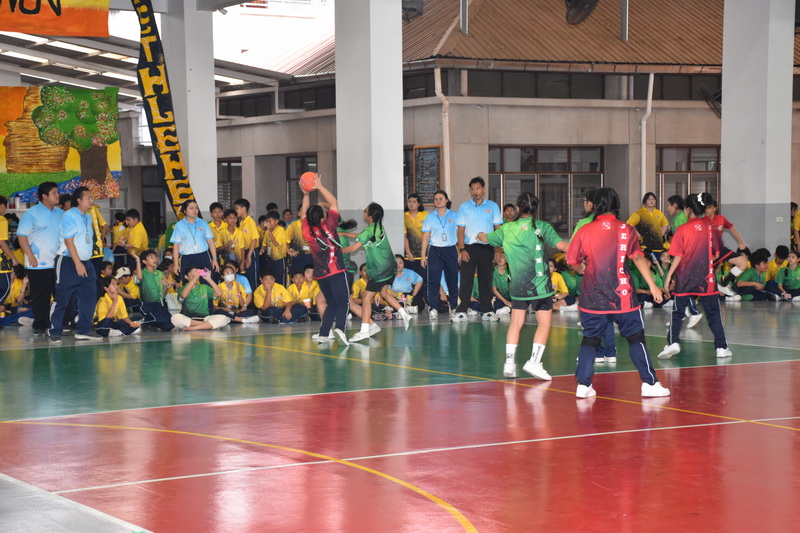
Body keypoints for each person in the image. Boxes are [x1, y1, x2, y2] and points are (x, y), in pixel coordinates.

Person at [567, 187, 670, 398]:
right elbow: (638, 258)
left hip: (592, 295)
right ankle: (650, 383)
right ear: (616, 204)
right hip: (622, 296)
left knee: (590, 339)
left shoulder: (584, 230)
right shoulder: (626, 229)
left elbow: (571, 260)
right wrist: (652, 285)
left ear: (595, 205)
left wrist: (583, 270)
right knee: (635, 337)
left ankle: (583, 385)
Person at [477, 192, 568, 379]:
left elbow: (485, 238)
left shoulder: (507, 228)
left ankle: (509, 364)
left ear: (518, 208)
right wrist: (583, 249)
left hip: (518, 287)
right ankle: (534, 362)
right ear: (536, 209)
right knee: (544, 323)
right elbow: (562, 246)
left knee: (516, 323)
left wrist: (480, 234)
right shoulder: (542, 227)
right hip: (540, 287)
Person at [658, 192, 732, 359]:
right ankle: (721, 348)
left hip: (684, 277)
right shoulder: (709, 228)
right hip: (706, 277)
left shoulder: (682, 229)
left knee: (677, 312)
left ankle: (673, 342)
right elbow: (715, 254)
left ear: (688, 209)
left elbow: (678, 255)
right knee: (713, 313)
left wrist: (669, 276)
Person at [342, 202, 412, 342]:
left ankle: (364, 330)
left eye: (365, 210)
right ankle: (405, 314)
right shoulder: (378, 227)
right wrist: (343, 233)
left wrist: (335, 251)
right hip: (390, 267)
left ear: (370, 215)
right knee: (384, 293)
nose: (364, 212)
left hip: (380, 270)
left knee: (366, 298)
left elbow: (352, 249)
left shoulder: (370, 231)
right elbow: (359, 235)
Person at [300, 175, 350, 344]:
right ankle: (340, 330)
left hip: (321, 275)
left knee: (332, 303)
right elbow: (334, 202)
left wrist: (306, 194)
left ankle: (323, 333)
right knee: (343, 303)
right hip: (336, 272)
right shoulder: (330, 225)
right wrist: (319, 186)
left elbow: (303, 214)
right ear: (323, 217)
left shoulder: (307, 232)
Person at [48, 187, 101, 342]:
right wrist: (77, 263)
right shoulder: (69, 216)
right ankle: (55, 330)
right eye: (88, 198)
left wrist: (84, 262)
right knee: (62, 297)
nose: (91, 201)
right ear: (79, 200)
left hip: (86, 262)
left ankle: (84, 330)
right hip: (68, 261)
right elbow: (68, 241)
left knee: (89, 296)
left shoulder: (88, 217)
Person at [452, 177, 504, 323]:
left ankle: (488, 311)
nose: (475, 191)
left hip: (487, 247)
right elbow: (460, 230)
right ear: (470, 191)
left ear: (483, 189)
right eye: (473, 189)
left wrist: (498, 249)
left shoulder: (493, 206)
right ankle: (461, 311)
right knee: (466, 279)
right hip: (469, 248)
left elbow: (498, 229)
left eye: (478, 188)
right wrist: (462, 249)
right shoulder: (464, 207)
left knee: (486, 279)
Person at [16, 182, 63, 336]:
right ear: (44, 196)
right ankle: (40, 325)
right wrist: (30, 255)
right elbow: (21, 236)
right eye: (54, 192)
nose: (58, 195)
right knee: (40, 296)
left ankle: (59, 323)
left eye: (57, 192)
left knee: (61, 295)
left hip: (59, 262)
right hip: (38, 263)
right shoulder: (31, 213)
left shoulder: (61, 213)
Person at [420, 190, 459, 321]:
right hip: (435, 250)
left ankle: (453, 306)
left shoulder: (455, 215)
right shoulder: (430, 217)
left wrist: (460, 251)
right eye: (436, 199)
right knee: (433, 281)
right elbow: (426, 237)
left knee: (452, 279)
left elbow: (459, 234)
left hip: (451, 250)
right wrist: (423, 256)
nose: (438, 201)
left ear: (446, 200)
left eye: (441, 198)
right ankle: (433, 308)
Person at [705, 197, 749, 295]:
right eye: (705, 208)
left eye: (709, 208)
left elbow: (732, 228)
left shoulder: (721, 219)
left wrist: (741, 242)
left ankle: (723, 284)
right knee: (705, 279)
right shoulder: (703, 221)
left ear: (714, 208)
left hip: (721, 249)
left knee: (743, 263)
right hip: (708, 252)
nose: (707, 210)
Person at [171, 199, 220, 280]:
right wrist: (176, 264)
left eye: (196, 208)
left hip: (203, 257)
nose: (195, 210)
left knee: (206, 281)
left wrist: (214, 259)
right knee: (188, 283)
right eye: (191, 208)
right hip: (187, 258)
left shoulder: (203, 223)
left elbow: (211, 242)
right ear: (185, 211)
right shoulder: (179, 225)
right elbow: (176, 246)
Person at [134, 249, 176, 331]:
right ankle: (142, 320)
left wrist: (165, 287)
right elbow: (139, 278)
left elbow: (163, 294)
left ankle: (150, 322)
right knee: (161, 320)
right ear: (144, 261)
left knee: (169, 326)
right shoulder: (142, 273)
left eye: (155, 257)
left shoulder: (160, 273)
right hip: (148, 305)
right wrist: (138, 260)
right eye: (151, 257)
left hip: (160, 304)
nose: (155, 259)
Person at [626, 192, 669, 260]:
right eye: (649, 199)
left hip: (658, 246)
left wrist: (661, 234)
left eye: (653, 199)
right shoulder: (639, 213)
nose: (651, 201)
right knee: (647, 263)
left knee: (657, 263)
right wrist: (638, 235)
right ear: (645, 201)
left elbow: (665, 223)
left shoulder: (659, 213)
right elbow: (629, 224)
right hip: (644, 246)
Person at [404, 193, 428, 306]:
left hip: (425, 255)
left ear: (418, 204)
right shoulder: (404, 217)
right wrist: (408, 252)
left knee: (425, 279)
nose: (411, 204)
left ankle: (427, 302)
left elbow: (428, 235)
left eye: (414, 202)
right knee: (413, 281)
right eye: (409, 201)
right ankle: (414, 303)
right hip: (410, 256)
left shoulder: (425, 215)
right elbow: (404, 236)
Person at [234, 198, 260, 290]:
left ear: (243, 209)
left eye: (237, 209)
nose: (235, 211)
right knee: (246, 275)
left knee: (253, 275)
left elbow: (254, 239)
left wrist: (249, 255)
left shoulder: (250, 222)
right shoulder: (241, 223)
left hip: (251, 251)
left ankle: (255, 296)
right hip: (244, 251)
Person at [0, 196, 20, 308]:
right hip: (1, 262)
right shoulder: (2, 220)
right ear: (2, 206)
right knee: (5, 287)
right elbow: (1, 242)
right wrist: (13, 258)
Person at [260, 210, 288, 286]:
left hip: (279, 260)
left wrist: (269, 232)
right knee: (271, 279)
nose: (268, 223)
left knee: (280, 281)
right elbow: (265, 243)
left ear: (276, 221)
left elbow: (276, 243)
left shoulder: (280, 230)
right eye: (267, 221)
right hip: (270, 259)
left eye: (270, 221)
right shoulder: (267, 231)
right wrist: (262, 249)